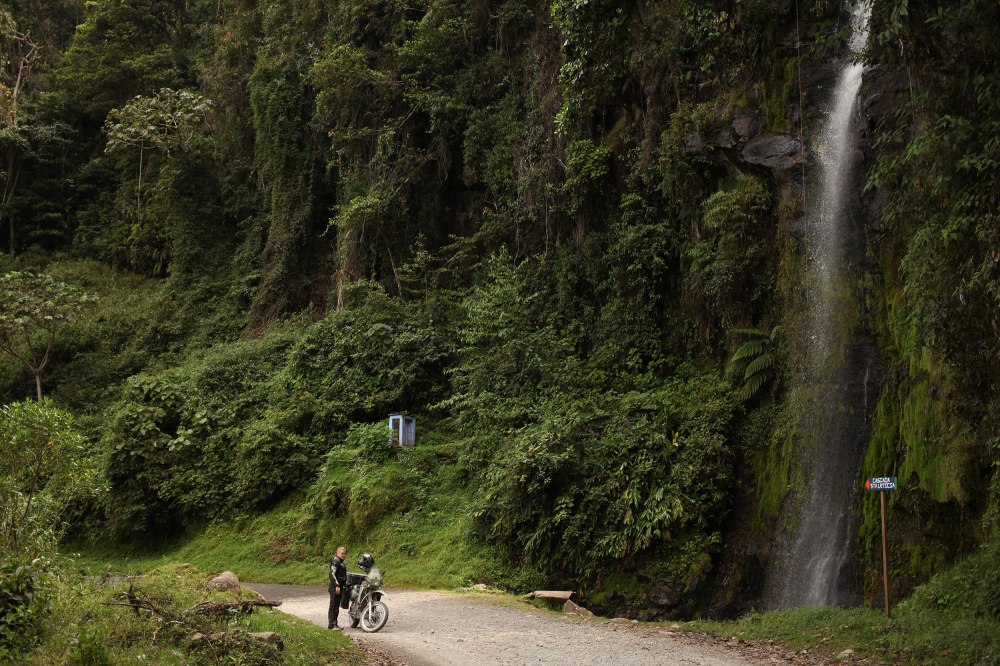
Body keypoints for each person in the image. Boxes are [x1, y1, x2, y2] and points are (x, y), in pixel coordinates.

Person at [328, 545, 348, 630]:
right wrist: (336, 585)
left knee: (336, 606)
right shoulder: (336, 561)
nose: (343, 555)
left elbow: (342, 576)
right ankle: (332, 625)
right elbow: (332, 574)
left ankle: (335, 624)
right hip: (335, 587)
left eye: (345, 553)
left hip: (339, 587)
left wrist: (346, 584)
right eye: (342, 553)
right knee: (333, 606)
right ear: (338, 553)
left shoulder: (341, 562)